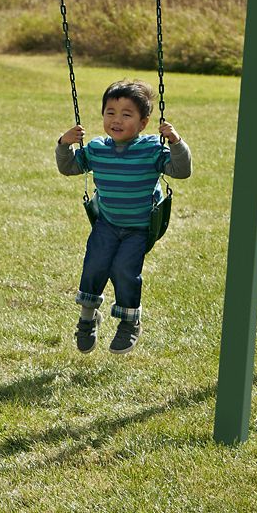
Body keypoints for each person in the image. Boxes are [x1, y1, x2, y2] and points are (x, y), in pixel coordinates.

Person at [56, 78, 191, 355]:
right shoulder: (96, 149)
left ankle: (129, 322)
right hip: (106, 223)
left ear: (143, 123)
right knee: (94, 266)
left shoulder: (152, 149)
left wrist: (176, 141)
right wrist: (64, 144)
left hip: (139, 229)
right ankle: (87, 317)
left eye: (127, 115)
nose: (116, 120)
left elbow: (181, 170)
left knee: (124, 271)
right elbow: (69, 167)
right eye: (110, 113)